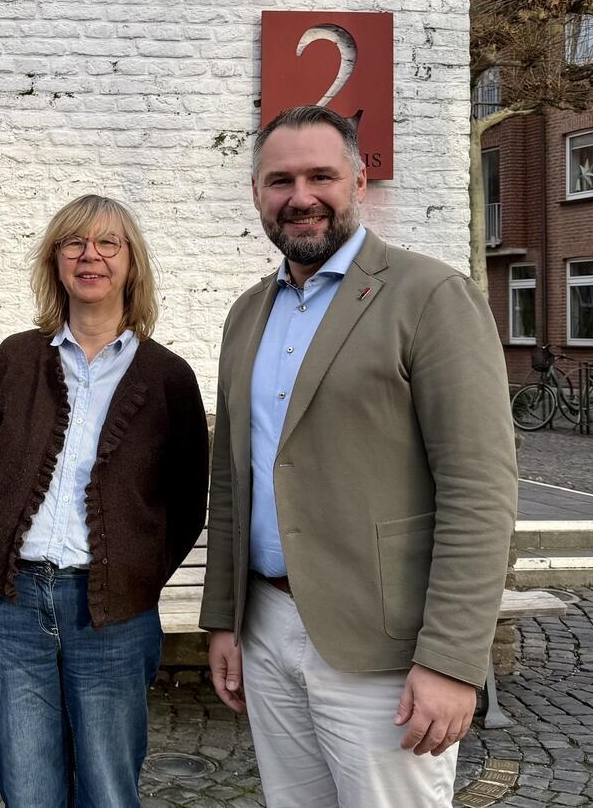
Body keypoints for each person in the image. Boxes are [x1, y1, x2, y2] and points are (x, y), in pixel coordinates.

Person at [200, 105, 519, 807]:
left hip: (385, 645)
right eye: (280, 179)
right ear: (257, 192)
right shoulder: (247, 314)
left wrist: (451, 660)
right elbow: (233, 479)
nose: (301, 195)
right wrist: (224, 618)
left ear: (360, 180)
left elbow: (480, 491)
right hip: (268, 626)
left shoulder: (430, 296)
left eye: (322, 175)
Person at [0, 195, 209, 807]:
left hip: (113, 617)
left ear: (131, 264)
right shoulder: (16, 358)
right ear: (56, 261)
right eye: (74, 243)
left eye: (108, 244)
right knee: (29, 789)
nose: (90, 255)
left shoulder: (167, 376)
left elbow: (186, 501)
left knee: (106, 789)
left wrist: (132, 571)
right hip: (13, 607)